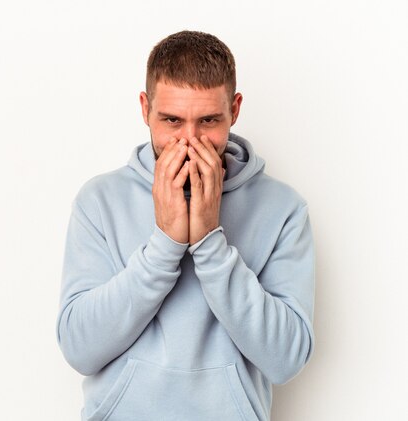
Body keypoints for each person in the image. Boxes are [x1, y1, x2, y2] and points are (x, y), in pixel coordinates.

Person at [56, 30, 314, 421]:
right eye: (172, 120)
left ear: (235, 109)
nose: (190, 141)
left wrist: (211, 242)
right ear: (145, 109)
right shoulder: (99, 201)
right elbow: (79, 348)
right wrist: (164, 245)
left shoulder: (283, 209)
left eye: (209, 120)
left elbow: (286, 359)